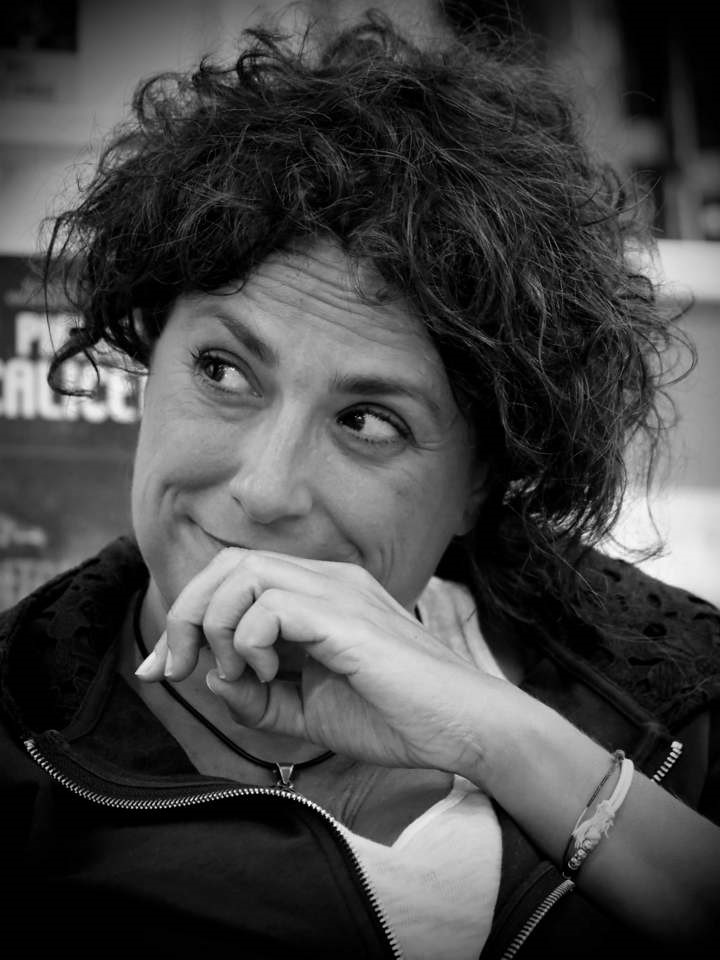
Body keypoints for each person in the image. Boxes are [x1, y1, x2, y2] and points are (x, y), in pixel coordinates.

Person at [1, 13, 719, 959]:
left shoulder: (676, 692)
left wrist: (501, 740)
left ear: (482, 482)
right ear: (149, 343)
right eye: (222, 370)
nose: (265, 489)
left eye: (369, 422)